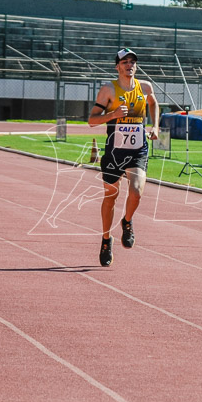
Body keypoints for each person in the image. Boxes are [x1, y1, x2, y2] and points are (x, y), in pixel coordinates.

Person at [88, 48, 159, 267]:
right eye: (125, 62)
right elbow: (92, 120)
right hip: (114, 151)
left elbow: (154, 103)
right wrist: (113, 115)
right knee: (111, 197)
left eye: (133, 61)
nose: (129, 65)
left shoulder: (145, 87)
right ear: (117, 66)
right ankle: (106, 240)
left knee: (136, 192)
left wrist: (155, 126)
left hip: (138, 149)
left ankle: (127, 221)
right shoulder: (108, 90)